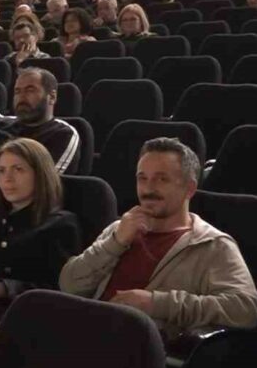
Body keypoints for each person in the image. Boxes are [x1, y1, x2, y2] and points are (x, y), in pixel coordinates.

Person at [60, 138, 257, 333]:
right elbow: (69, 285)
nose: (148, 189)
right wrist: (115, 243)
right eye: (142, 178)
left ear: (189, 188)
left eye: (162, 179)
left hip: (144, 351)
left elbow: (246, 309)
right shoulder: (118, 230)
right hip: (85, 333)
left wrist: (156, 303)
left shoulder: (213, 245)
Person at [0, 138, 81, 303]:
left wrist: (4, 288)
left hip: (14, 313)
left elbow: (59, 289)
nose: (7, 178)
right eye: (1, 171)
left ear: (40, 174)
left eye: (18, 169)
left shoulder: (60, 224)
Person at [0, 68, 80, 174]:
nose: (21, 97)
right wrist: (12, 167)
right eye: (17, 91)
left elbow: (44, 181)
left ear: (52, 97)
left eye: (30, 90)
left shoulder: (64, 133)